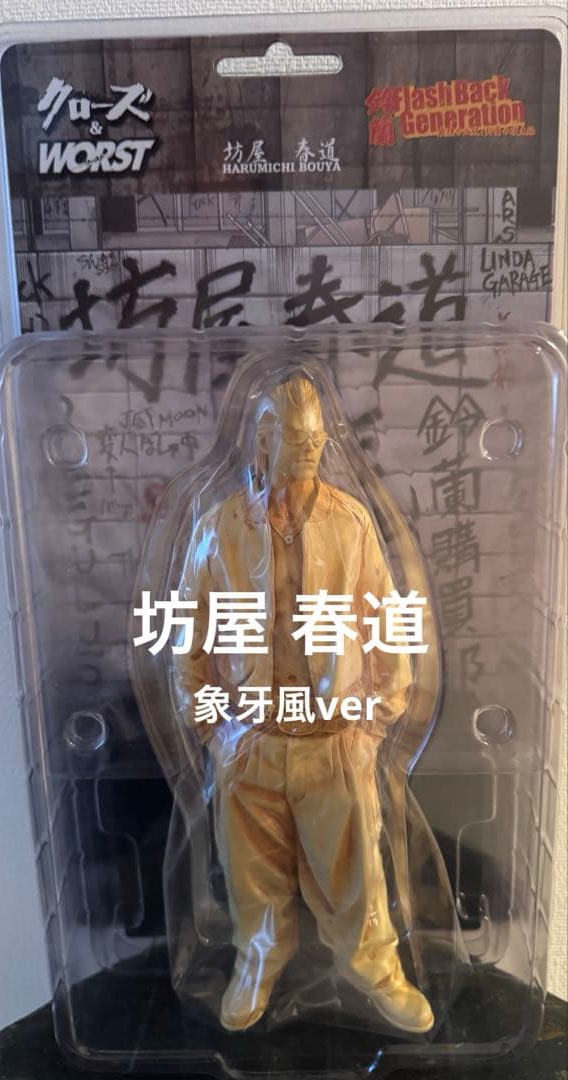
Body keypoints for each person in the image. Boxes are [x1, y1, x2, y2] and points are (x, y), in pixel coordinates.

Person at [172, 375, 435, 1034]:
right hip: (250, 737)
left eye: (316, 438)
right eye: (297, 440)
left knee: (354, 872)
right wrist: (212, 728)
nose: (311, 450)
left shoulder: (349, 521)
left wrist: (374, 721)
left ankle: (376, 969)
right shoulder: (219, 528)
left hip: (332, 737)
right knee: (250, 871)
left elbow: (385, 622)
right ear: (264, 443)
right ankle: (257, 959)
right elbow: (188, 636)